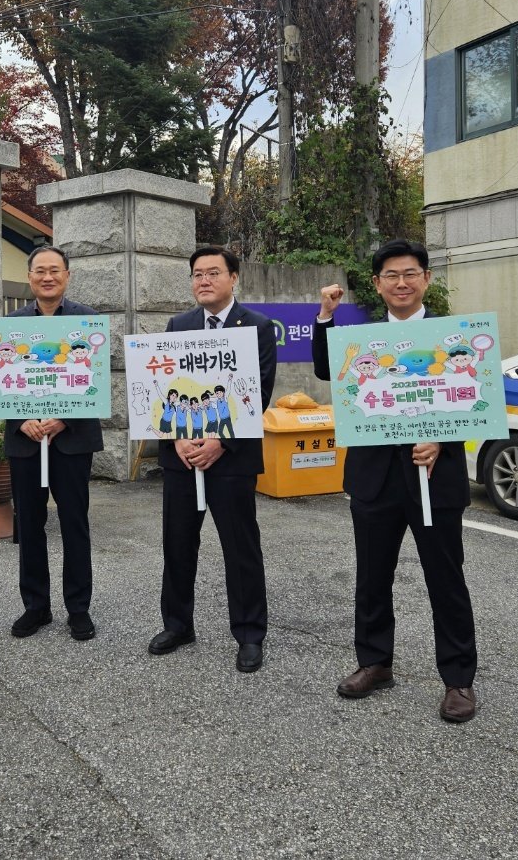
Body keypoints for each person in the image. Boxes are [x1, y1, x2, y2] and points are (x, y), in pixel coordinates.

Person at [312, 239, 479, 722]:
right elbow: (326, 370)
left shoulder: (456, 337)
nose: (401, 283)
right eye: (391, 275)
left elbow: (477, 398)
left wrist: (442, 440)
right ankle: (374, 662)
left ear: (426, 278)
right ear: (377, 284)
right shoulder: (363, 340)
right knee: (372, 575)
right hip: (374, 477)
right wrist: (325, 317)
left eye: (409, 273)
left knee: (446, 579)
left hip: (434, 476)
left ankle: (458, 679)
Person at [149, 246, 275, 673]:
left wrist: (221, 441)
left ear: (233, 277)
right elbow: (164, 387)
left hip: (231, 459)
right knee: (177, 543)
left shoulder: (257, 327)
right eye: (197, 274)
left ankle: (249, 634)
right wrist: (177, 439)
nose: (204, 280)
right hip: (183, 457)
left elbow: (258, 391)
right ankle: (177, 625)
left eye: (213, 273)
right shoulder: (178, 325)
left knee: (240, 547)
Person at [3, 246, 104, 643]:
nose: (47, 277)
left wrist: (65, 418)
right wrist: (21, 420)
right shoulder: (10, 325)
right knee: (29, 525)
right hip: (26, 440)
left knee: (75, 523)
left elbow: (94, 381)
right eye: (40, 271)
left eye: (55, 270)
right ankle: (36, 606)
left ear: (67, 275)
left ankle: (78, 608)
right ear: (29, 277)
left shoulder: (87, 321)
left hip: (72, 440)